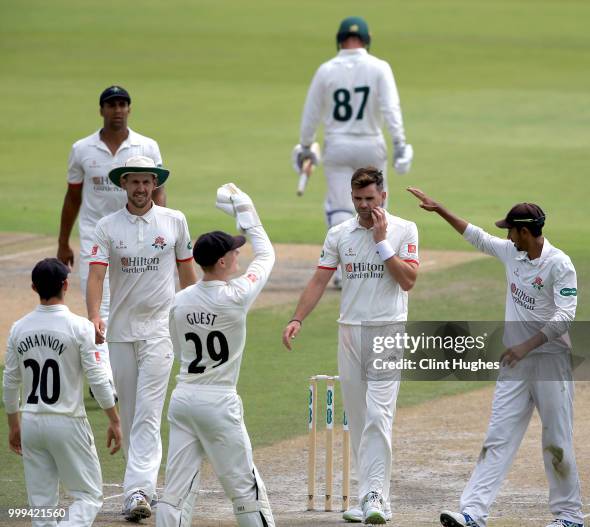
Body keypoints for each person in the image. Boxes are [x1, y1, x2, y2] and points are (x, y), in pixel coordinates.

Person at [407, 188, 584, 527]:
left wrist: (526, 345)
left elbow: (566, 316)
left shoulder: (559, 264)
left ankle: (570, 517)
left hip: (550, 363)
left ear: (525, 232)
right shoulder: (511, 253)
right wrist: (441, 209)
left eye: (511, 230)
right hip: (515, 365)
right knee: (497, 438)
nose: (507, 236)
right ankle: (473, 512)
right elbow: (478, 237)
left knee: (556, 440)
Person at [282, 168, 419, 524]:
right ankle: (370, 497)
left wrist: (381, 240)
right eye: (357, 199)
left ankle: (375, 496)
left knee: (378, 415)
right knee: (358, 420)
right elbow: (319, 280)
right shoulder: (339, 233)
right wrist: (298, 318)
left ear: (383, 197)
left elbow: (408, 281)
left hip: (388, 329)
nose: (363, 205)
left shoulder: (405, 229)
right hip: (350, 332)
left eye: (370, 199)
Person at [157, 183, 275, 527]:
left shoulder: (180, 300)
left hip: (183, 398)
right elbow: (266, 256)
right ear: (222, 261)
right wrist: (247, 213)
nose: (240, 254)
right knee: (245, 488)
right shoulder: (237, 295)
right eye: (235, 252)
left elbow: (179, 349)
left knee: (176, 490)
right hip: (219, 401)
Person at [86, 156, 197, 521]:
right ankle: (139, 488)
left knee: (148, 414)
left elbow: (186, 274)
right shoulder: (106, 226)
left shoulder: (174, 221)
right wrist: (93, 316)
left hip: (160, 332)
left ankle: (137, 491)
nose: (141, 189)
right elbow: (97, 277)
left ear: (155, 184)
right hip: (120, 333)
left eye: (147, 182)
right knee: (132, 414)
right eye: (134, 182)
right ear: (124, 184)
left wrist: (195, 316)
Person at [57, 85, 166, 396]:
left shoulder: (147, 146)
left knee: (128, 301)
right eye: (111, 105)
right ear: (101, 110)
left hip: (137, 237)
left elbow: (158, 194)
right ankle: (104, 377)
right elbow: (73, 197)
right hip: (96, 236)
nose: (117, 110)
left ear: (130, 109)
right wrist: (63, 242)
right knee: (100, 304)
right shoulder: (82, 149)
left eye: (122, 104)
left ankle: (120, 368)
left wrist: (164, 230)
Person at [292, 16, 413, 288]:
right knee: (376, 202)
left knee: (338, 207)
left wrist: (305, 144)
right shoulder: (380, 67)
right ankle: (379, 263)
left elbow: (311, 112)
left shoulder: (326, 70)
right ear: (367, 40)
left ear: (339, 39)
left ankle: (341, 272)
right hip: (371, 143)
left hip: (337, 145)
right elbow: (391, 109)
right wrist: (400, 144)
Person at [2, 258, 122, 527]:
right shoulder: (80, 327)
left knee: (42, 506)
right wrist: (114, 420)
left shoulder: (18, 328)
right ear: (66, 285)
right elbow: (99, 379)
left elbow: (10, 382)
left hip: (31, 421)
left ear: (34, 288)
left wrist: (14, 425)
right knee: (89, 496)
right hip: (68, 421)